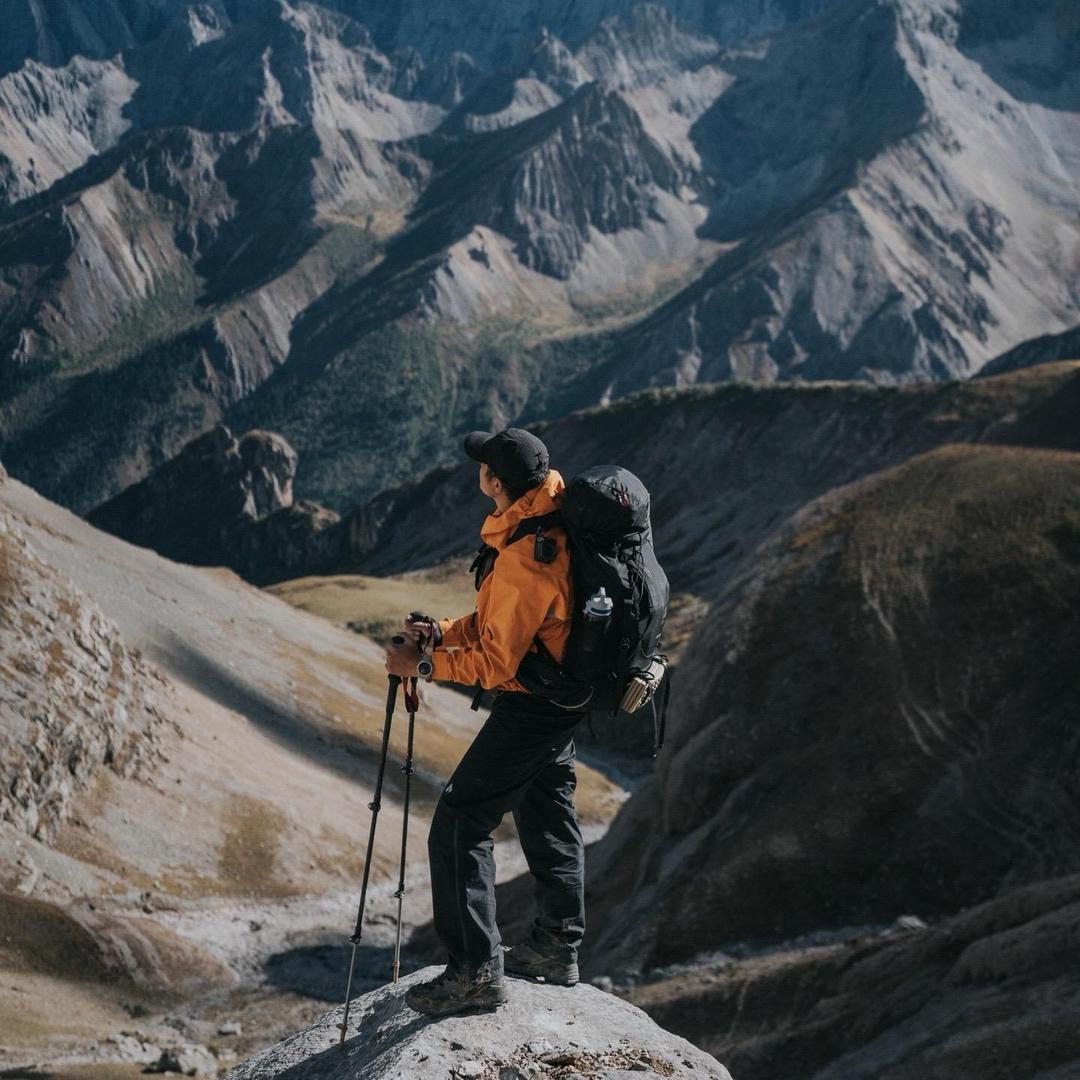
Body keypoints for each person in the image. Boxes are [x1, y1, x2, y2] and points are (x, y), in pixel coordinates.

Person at [383, 427, 586, 1016]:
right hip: (564, 698)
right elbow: (504, 623)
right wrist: (444, 632)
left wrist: (420, 662)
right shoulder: (548, 517)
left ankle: (474, 973)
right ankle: (556, 947)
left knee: (458, 821)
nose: (478, 471)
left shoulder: (527, 554)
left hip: (535, 704)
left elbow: (498, 662)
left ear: (494, 481)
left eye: (483, 466)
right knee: (548, 808)